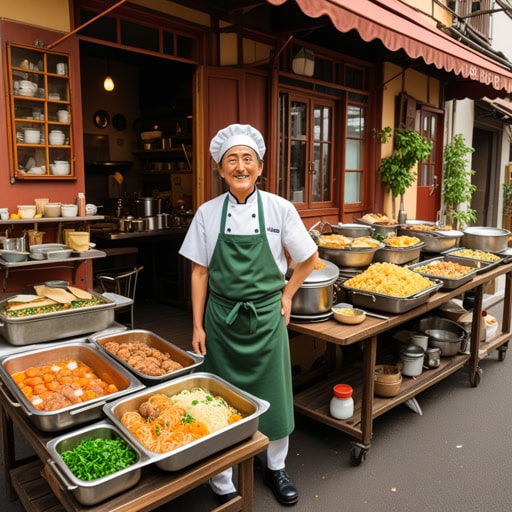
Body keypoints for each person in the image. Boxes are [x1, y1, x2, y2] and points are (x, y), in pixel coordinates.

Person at [179, 123, 318, 506]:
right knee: (219, 399)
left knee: (275, 393)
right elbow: (199, 272)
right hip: (221, 320)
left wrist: (287, 295)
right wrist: (197, 324)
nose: (240, 166)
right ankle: (222, 477)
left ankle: (276, 467)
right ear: (221, 170)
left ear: (259, 167)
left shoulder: (279, 208)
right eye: (231, 161)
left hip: (266, 317)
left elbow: (309, 260)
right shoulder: (207, 214)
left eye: (247, 159)